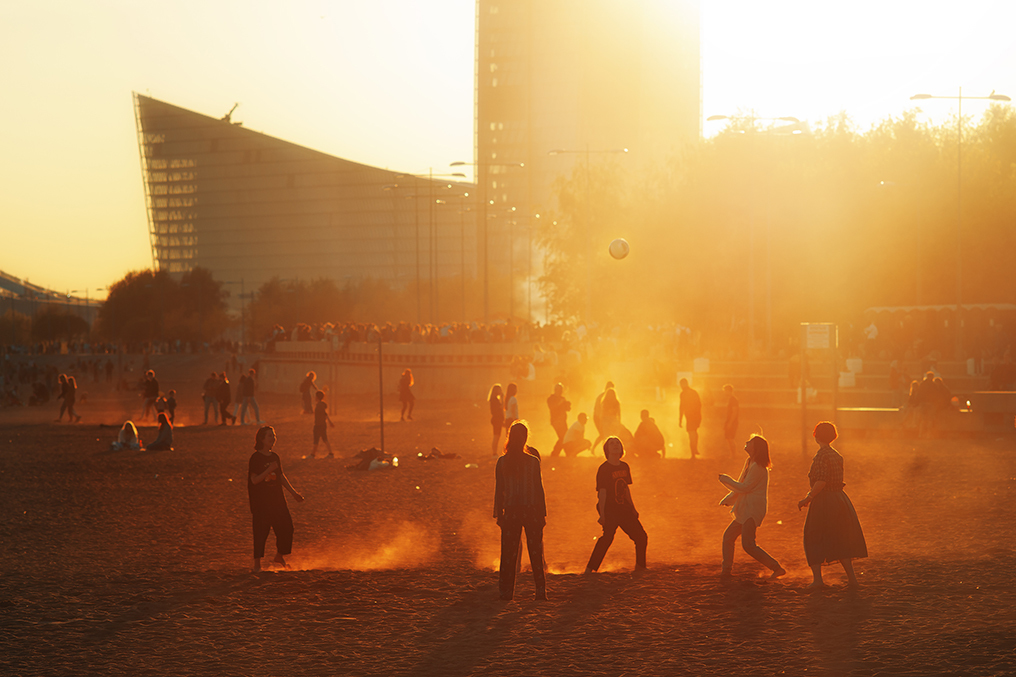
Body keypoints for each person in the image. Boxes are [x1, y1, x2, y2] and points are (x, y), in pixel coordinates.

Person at [798, 421, 867, 589]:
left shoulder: (821, 455)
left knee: (814, 537)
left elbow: (821, 481)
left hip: (824, 501)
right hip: (840, 499)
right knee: (840, 539)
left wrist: (808, 498)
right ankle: (852, 579)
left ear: (816, 436)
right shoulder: (837, 455)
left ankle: (818, 581)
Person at [493, 421, 547, 601]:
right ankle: (540, 592)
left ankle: (505, 593)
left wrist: (499, 515)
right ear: (525, 438)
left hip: (511, 513)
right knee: (535, 553)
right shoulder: (533, 461)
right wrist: (542, 514)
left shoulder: (503, 461)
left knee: (508, 554)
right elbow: (539, 491)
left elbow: (499, 491)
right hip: (531, 512)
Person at [718, 434, 785, 579]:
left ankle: (776, 568)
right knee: (728, 537)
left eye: (750, 442)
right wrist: (729, 499)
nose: (746, 442)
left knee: (748, 545)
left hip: (752, 510)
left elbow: (744, 487)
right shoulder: (750, 462)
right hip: (746, 509)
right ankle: (726, 570)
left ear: (756, 448)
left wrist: (725, 480)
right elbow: (742, 485)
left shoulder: (759, 467)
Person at [584, 437, 648, 573]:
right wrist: (602, 514)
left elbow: (625, 489)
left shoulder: (624, 466)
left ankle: (640, 567)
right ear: (606, 449)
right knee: (607, 538)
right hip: (609, 509)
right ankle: (590, 570)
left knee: (641, 537)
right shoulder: (604, 468)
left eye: (618, 443)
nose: (615, 445)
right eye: (611, 444)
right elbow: (602, 493)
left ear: (621, 448)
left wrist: (633, 508)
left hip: (624, 509)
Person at [248, 426, 304, 571]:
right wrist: (268, 469)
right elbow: (254, 480)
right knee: (261, 532)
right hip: (261, 502)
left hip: (277, 500)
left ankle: (279, 556)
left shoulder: (275, 457)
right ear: (261, 439)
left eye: (274, 436)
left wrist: (294, 493)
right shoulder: (256, 458)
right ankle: (257, 565)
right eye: (269, 436)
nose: (273, 439)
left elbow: (280, 477)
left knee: (287, 528)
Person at [679, 378, 702, 458]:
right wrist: (699, 416)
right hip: (697, 416)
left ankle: (693, 454)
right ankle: (695, 448)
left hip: (690, 417)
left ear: (683, 384)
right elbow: (699, 404)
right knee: (695, 432)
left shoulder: (683, 393)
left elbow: (681, 407)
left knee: (691, 435)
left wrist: (680, 419)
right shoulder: (694, 392)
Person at [546, 383, 571, 458]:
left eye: (561, 390)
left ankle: (566, 453)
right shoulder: (551, 399)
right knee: (562, 437)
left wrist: (568, 404)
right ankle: (555, 453)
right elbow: (552, 408)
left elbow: (568, 409)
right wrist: (561, 402)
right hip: (556, 421)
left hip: (563, 420)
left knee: (565, 437)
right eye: (559, 390)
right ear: (555, 390)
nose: (560, 392)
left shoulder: (562, 398)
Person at [310, 390, 335, 459]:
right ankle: (330, 453)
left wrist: (330, 422)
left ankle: (313, 455)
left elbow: (324, 414)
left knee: (317, 439)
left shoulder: (319, 405)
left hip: (319, 425)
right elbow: (325, 414)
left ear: (317, 397)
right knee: (323, 439)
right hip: (322, 424)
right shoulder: (321, 405)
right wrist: (330, 422)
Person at [488, 384, 504, 457]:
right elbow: (501, 408)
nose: (501, 391)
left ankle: (495, 452)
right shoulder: (494, 400)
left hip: (497, 419)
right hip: (497, 419)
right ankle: (494, 453)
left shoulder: (494, 399)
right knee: (496, 436)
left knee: (497, 436)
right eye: (500, 389)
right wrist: (503, 399)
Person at [723, 384, 739, 456]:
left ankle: (734, 454)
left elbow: (735, 412)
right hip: (730, 421)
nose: (724, 392)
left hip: (732, 422)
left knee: (730, 438)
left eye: (725, 391)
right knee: (729, 438)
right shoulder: (731, 399)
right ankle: (733, 454)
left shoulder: (733, 399)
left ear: (729, 391)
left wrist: (730, 423)